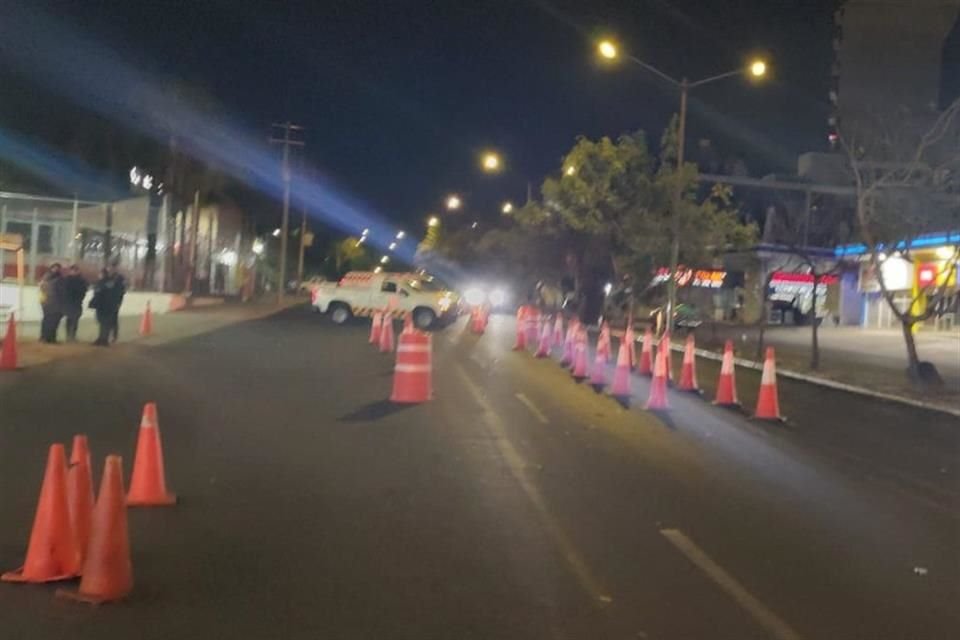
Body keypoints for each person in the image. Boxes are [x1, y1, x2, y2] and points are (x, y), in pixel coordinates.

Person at [90, 263, 126, 346]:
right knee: (103, 322)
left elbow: (119, 292)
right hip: (104, 304)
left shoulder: (117, 279)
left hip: (109, 304)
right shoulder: (107, 280)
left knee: (108, 322)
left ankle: (107, 338)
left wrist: (117, 302)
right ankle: (102, 338)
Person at [38, 263, 64, 343]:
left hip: (47, 302)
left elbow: (42, 288)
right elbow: (59, 291)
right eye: (55, 268)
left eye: (57, 268)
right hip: (52, 302)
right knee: (52, 320)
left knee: (47, 319)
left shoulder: (45, 278)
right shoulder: (57, 279)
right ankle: (50, 338)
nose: (56, 270)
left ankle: (44, 336)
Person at [62, 265, 88, 342]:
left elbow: (84, 290)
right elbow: (64, 290)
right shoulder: (67, 280)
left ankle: (72, 335)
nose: (74, 272)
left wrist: (80, 297)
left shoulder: (81, 280)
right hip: (69, 302)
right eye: (73, 270)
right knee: (69, 319)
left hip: (77, 302)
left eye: (75, 270)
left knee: (75, 319)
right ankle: (68, 335)